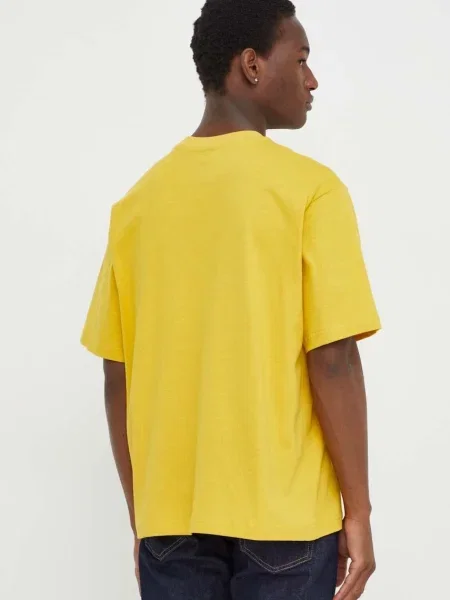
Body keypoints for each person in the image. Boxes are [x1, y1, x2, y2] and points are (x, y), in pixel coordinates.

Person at [81, 1, 381, 598]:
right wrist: (359, 511)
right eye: (301, 59)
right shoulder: (310, 190)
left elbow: (118, 372)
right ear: (251, 64)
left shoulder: (138, 204)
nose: (312, 80)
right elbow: (332, 359)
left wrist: (145, 517)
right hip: (287, 519)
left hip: (173, 523)